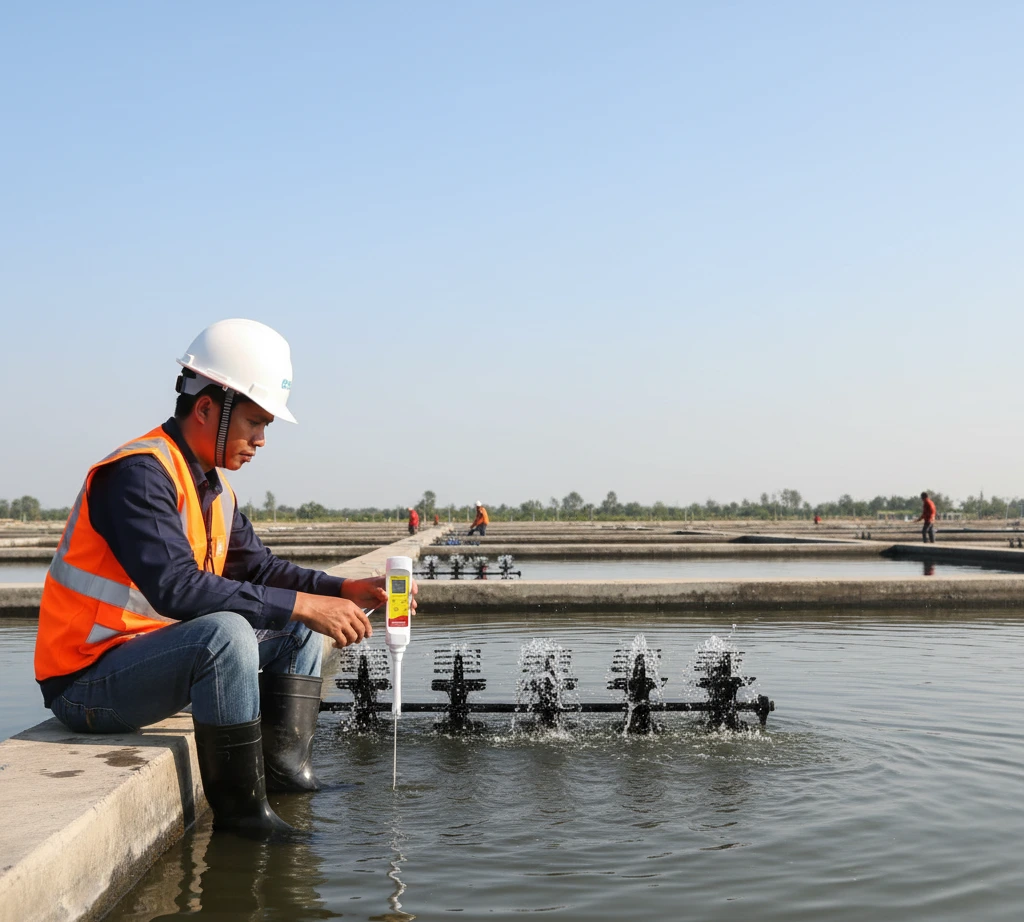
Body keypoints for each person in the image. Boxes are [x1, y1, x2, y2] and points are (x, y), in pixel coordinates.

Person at [34, 319, 415, 839]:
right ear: (208, 407)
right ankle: (241, 815)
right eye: (254, 423)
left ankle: (284, 775)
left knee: (298, 625)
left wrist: (340, 590)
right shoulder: (139, 475)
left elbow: (261, 569)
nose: (260, 440)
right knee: (229, 634)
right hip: (86, 682)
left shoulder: (214, 488)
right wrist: (300, 604)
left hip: (149, 660)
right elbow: (176, 587)